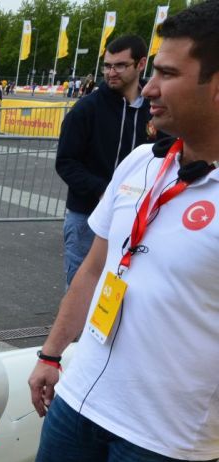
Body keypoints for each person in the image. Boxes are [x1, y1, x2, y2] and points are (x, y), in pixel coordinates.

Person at [0, 5, 219, 462]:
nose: (148, 86)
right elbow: (94, 271)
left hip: (166, 431)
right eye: (149, 70)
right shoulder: (142, 162)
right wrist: (53, 352)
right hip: (85, 390)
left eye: (165, 72)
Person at [56, 35, 152, 287]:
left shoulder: (154, 109)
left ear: (140, 64)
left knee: (128, 287)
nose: (111, 72)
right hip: (87, 216)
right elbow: (65, 162)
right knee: (82, 287)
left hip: (139, 217)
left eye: (120, 65)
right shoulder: (86, 109)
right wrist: (102, 191)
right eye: (107, 65)